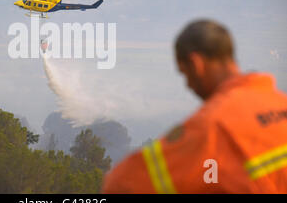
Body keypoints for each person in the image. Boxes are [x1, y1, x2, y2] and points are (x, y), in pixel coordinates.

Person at [102, 19, 287, 193]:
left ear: (196, 64)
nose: (188, 85)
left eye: (185, 74)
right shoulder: (280, 102)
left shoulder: (213, 126)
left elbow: (121, 183)